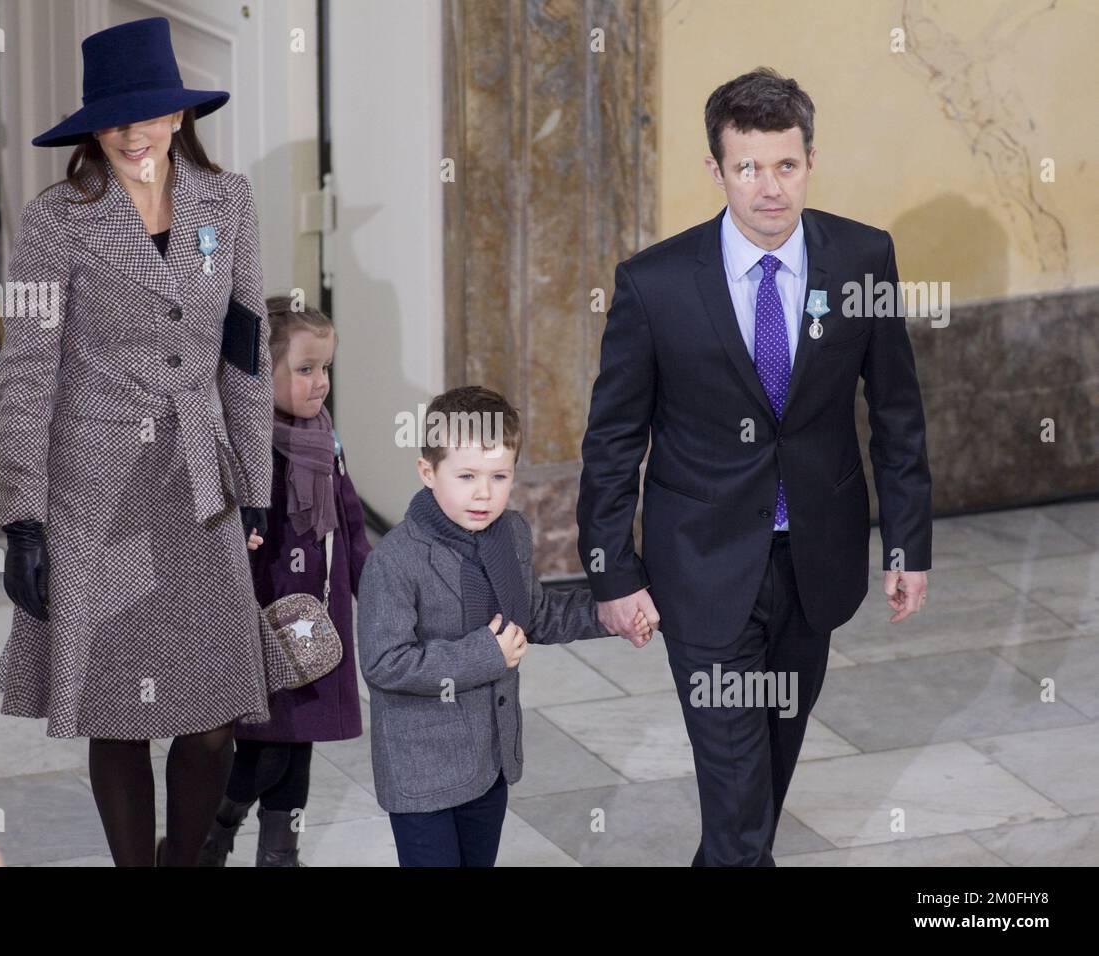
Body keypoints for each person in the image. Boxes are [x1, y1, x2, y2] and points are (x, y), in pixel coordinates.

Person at [577, 67, 933, 866]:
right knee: (740, 814)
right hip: (701, 571)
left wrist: (909, 547)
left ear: (810, 161)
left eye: (786, 165)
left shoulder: (861, 258)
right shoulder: (655, 284)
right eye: (748, 167)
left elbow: (898, 415)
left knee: (761, 790)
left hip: (816, 561)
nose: (769, 188)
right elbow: (612, 442)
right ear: (716, 169)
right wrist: (611, 573)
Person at [0, 17, 275, 867]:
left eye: (147, 111)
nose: (129, 129)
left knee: (215, 716)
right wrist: (22, 519)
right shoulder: (56, 224)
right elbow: (27, 373)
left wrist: (256, 484)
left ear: (180, 115)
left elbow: (246, 353)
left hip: (200, 483)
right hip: (95, 493)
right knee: (116, 712)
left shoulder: (230, 202)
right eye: (113, 116)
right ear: (92, 126)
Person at [358, 386, 648, 866]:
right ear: (428, 471)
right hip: (422, 774)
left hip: (489, 762)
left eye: (499, 476)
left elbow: (533, 616)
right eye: (467, 475)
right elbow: (385, 664)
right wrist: (484, 656)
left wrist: (608, 615)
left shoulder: (510, 533)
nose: (483, 493)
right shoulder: (395, 560)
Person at [199, 297, 371, 867]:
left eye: (326, 368)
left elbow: (349, 519)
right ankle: (212, 832)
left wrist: (372, 586)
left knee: (300, 744)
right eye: (304, 369)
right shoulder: (246, 449)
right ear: (259, 375)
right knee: (266, 747)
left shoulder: (323, 438)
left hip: (315, 620)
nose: (320, 383)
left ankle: (279, 855)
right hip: (263, 619)